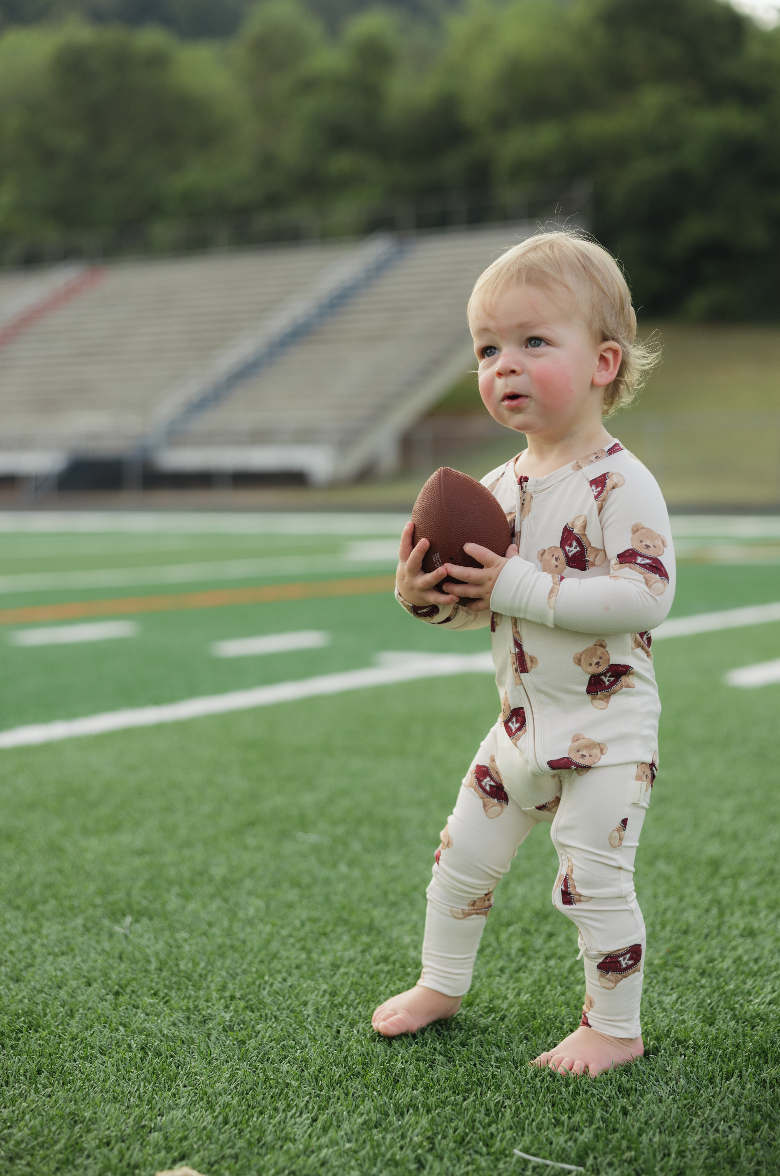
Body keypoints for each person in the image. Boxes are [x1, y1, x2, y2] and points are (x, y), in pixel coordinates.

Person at [372, 230, 673, 1077]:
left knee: (592, 884)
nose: (504, 364)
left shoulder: (619, 481)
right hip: (518, 724)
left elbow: (645, 595)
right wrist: (425, 599)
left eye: (534, 342)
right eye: (487, 348)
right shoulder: (499, 489)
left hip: (606, 730)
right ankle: (442, 981)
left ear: (603, 362)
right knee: (459, 858)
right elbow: (485, 606)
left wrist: (512, 586)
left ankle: (614, 1028)